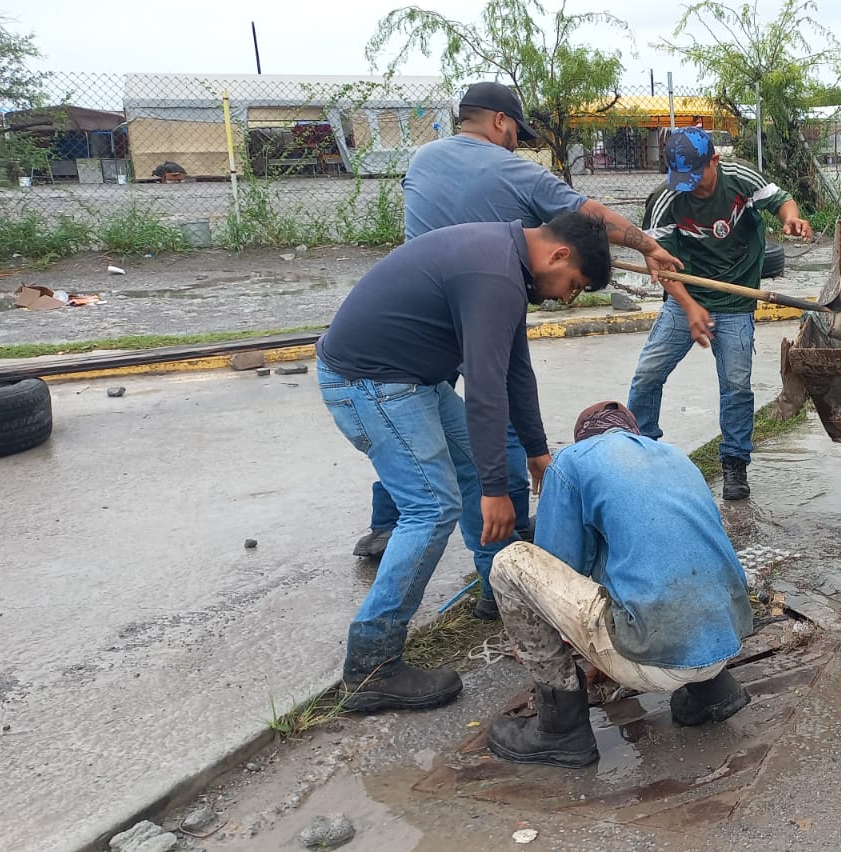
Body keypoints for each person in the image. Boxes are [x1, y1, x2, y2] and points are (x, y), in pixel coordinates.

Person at [352, 81, 683, 600]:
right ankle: (502, 557)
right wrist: (648, 245)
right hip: (482, 300)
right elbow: (587, 217)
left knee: (423, 434)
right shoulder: (514, 171)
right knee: (489, 429)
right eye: (515, 133)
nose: (514, 143)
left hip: (422, 327)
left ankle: (391, 520)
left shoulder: (421, 160)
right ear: (501, 122)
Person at [315, 211, 611, 713]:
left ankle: (501, 592)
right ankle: (371, 667)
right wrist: (496, 490)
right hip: (370, 383)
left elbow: (516, 370)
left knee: (481, 465)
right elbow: (486, 390)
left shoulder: (509, 265)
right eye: (574, 284)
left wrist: (537, 452)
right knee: (432, 509)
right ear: (559, 255)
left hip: (413, 379)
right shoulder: (495, 275)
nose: (568, 296)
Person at [485, 401, 755, 768]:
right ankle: (711, 688)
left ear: (584, 438)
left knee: (511, 562)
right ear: (632, 432)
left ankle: (561, 728)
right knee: (661, 550)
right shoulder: (674, 456)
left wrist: (567, 641)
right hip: (726, 643)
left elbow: (555, 568)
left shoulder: (571, 461)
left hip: (654, 660)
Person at [627, 127, 812, 502]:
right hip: (685, 296)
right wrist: (691, 306)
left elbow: (782, 201)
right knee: (648, 374)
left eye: (696, 177)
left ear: (715, 160)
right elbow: (660, 266)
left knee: (736, 385)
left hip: (735, 300)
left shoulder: (740, 180)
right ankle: (641, 452)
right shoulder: (666, 198)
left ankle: (734, 462)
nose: (690, 187)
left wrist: (791, 218)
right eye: (683, 179)